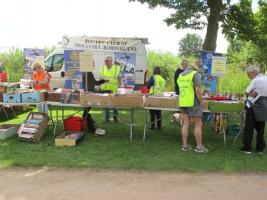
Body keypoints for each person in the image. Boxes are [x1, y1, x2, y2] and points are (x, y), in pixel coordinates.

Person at [177, 64, 208, 153]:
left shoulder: (181, 75)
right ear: (196, 69)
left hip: (183, 101)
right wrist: (201, 101)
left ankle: (185, 145)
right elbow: (198, 91)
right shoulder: (195, 74)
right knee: (198, 124)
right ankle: (199, 147)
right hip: (193, 102)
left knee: (185, 123)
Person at [240, 65, 267, 154]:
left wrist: (250, 93)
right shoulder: (266, 78)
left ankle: (247, 148)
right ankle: (260, 148)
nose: (248, 77)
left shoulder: (255, 80)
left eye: (249, 75)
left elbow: (247, 92)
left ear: (253, 73)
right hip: (264, 104)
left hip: (254, 105)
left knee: (249, 127)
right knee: (261, 127)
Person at [82, 72, 107, 136]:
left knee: (86, 112)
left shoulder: (84, 73)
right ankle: (90, 127)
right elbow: (94, 83)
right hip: (89, 95)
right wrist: (102, 81)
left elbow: (91, 84)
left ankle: (88, 125)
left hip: (87, 93)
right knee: (86, 112)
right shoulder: (89, 73)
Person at [100, 56, 121, 123]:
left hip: (113, 89)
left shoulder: (116, 68)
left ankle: (116, 118)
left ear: (111, 61)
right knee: (106, 104)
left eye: (107, 61)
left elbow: (120, 78)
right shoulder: (102, 68)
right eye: (105, 61)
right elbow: (101, 79)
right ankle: (107, 119)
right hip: (105, 89)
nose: (105, 62)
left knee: (114, 104)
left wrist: (118, 86)